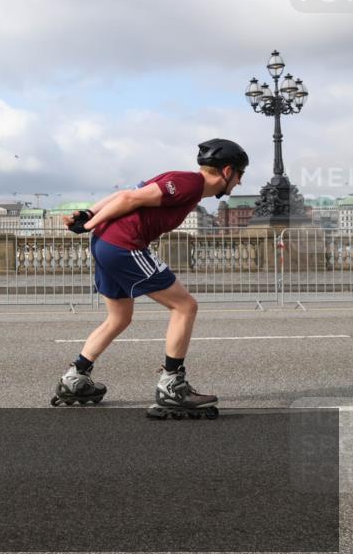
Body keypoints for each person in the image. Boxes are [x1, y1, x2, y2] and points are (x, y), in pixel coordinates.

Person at [50, 139, 249, 419]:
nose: (239, 184)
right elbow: (129, 199)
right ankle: (172, 386)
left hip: (107, 243)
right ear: (228, 171)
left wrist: (89, 213)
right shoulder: (189, 183)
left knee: (119, 318)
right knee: (185, 306)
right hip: (123, 244)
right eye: (240, 176)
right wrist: (89, 222)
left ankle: (76, 378)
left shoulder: (183, 183)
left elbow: (128, 193)